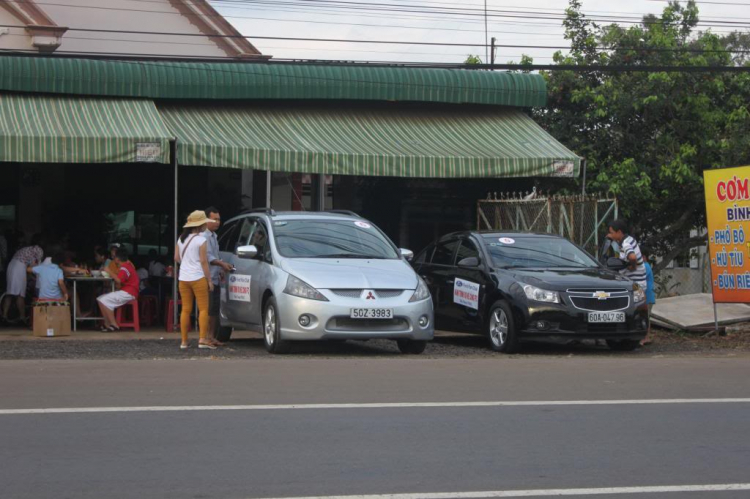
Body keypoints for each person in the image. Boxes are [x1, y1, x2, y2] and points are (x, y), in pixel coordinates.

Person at [175, 210, 216, 350]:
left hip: (183, 278)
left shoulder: (181, 238)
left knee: (185, 310)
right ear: (201, 225)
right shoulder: (201, 240)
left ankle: (184, 342)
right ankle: (202, 339)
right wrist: (209, 280)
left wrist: (187, 264)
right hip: (198, 277)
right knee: (203, 309)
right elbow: (204, 261)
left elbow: (176, 258)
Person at [202, 207, 234, 344]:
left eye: (219, 219)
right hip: (206, 278)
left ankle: (211, 336)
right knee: (208, 309)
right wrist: (222, 264)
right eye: (214, 219)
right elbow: (208, 257)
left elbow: (216, 255)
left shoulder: (214, 236)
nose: (217, 222)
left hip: (215, 277)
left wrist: (221, 268)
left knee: (214, 309)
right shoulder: (204, 236)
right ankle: (204, 337)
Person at [2, 235, 44, 324]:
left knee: (10, 292)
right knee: (20, 294)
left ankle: (4, 316)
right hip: (19, 267)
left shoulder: (28, 249)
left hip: (12, 265)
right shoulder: (38, 249)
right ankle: (22, 317)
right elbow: (36, 266)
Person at [96, 247, 139, 332]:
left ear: (118, 259)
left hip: (129, 292)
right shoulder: (126, 265)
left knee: (104, 299)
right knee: (100, 299)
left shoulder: (125, 267)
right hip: (126, 291)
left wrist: (109, 271)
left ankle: (114, 324)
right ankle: (107, 324)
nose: (113, 258)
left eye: (114, 257)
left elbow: (119, 280)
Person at [606, 219, 647, 291]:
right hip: (638, 283)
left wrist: (633, 267)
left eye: (612, 233)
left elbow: (632, 257)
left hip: (636, 285)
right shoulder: (629, 239)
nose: (610, 235)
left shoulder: (625, 244)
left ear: (619, 232)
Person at [642, 252, 656, 346]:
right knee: (645, 316)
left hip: (647, 295)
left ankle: (646, 337)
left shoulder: (645, 266)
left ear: (644, 257)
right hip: (645, 295)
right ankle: (645, 337)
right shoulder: (645, 266)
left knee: (646, 317)